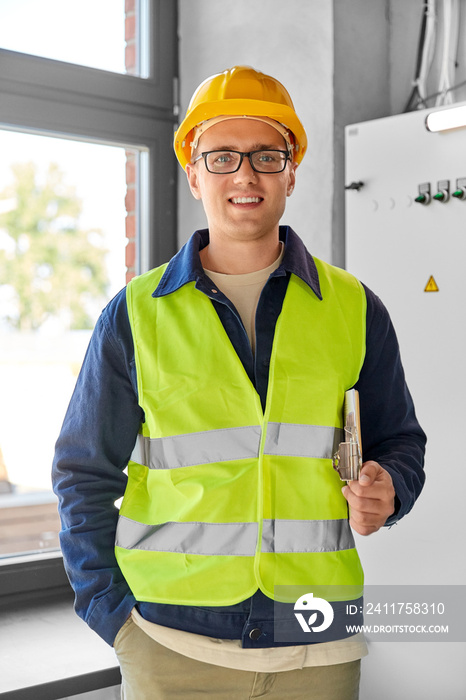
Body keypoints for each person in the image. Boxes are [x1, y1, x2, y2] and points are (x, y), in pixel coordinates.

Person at [52, 66, 426, 700]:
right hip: (171, 642)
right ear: (195, 174)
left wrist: (391, 489)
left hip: (320, 636)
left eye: (265, 156)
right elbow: (83, 471)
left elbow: (401, 443)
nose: (244, 174)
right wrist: (111, 615)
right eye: (221, 157)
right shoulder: (134, 315)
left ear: (291, 172)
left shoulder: (357, 308)